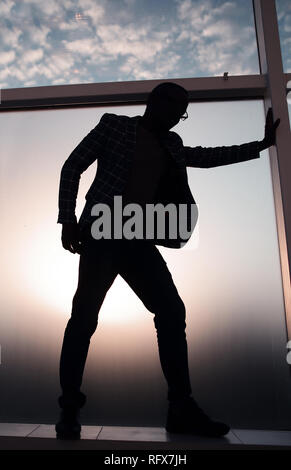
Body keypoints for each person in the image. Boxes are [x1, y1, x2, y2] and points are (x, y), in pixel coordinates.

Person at [55, 82, 280, 440]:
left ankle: (181, 408)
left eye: (183, 111)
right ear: (155, 102)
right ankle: (69, 408)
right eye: (176, 107)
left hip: (138, 235)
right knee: (84, 317)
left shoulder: (171, 144)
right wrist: (67, 218)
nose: (179, 116)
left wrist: (261, 145)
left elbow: (207, 156)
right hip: (102, 230)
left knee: (172, 312)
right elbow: (72, 166)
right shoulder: (114, 125)